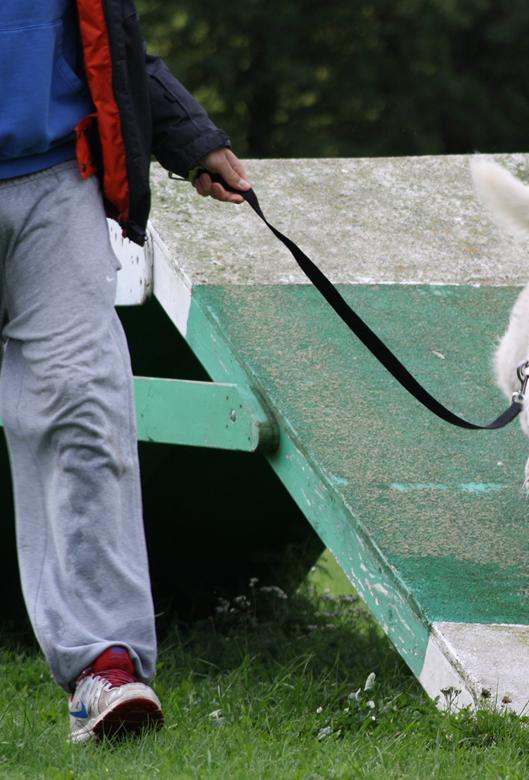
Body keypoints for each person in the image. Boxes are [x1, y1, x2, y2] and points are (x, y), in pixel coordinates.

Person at [0, 0, 249, 743]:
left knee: (85, 407)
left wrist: (187, 135)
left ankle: (103, 669)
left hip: (55, 177)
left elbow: (106, 38)